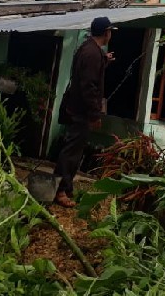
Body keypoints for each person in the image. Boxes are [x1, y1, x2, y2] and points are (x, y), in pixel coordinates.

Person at [53, 16, 116, 207]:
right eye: (110, 31)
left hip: (76, 109)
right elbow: (89, 86)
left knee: (74, 150)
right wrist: (94, 114)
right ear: (106, 33)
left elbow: (87, 73)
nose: (110, 34)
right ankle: (60, 190)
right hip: (80, 112)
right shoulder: (92, 54)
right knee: (71, 152)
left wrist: (104, 60)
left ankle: (65, 187)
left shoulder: (89, 49)